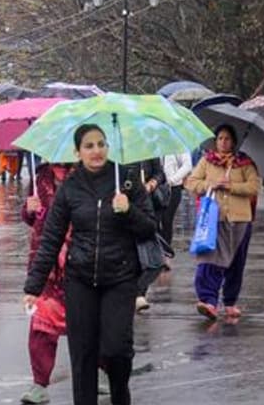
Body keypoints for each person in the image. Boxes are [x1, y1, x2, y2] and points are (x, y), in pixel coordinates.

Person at [23, 124, 158, 405]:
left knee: (116, 349)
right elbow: (51, 237)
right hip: (80, 279)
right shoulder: (71, 187)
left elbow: (149, 228)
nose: (96, 151)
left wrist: (128, 210)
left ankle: (120, 392)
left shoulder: (127, 179)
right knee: (83, 355)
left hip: (120, 277)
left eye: (101, 144)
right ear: (77, 152)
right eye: (89, 146)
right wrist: (33, 286)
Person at [184, 124, 261, 320]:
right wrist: (211, 184)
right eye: (220, 138)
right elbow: (191, 182)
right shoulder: (207, 161)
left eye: (227, 139)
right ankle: (208, 300)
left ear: (233, 142)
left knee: (236, 261)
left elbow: (254, 186)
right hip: (214, 219)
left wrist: (232, 186)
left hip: (240, 220)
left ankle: (230, 301)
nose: (223, 142)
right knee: (210, 259)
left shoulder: (244, 163)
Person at [19, 159, 73, 405]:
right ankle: (39, 383)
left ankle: (100, 372)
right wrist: (29, 209)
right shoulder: (40, 175)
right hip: (46, 262)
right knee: (41, 325)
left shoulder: (89, 174)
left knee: (90, 321)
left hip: (80, 260)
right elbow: (33, 219)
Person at [132, 158, 168, 312]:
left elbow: (160, 173)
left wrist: (152, 183)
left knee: (147, 249)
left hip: (148, 205)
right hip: (126, 204)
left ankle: (140, 293)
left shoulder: (147, 151)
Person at [158, 149, 194, 258]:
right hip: (157, 187)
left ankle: (165, 251)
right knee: (155, 219)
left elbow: (188, 165)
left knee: (166, 219)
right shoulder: (153, 142)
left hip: (173, 188)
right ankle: (158, 249)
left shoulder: (177, 145)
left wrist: (173, 179)